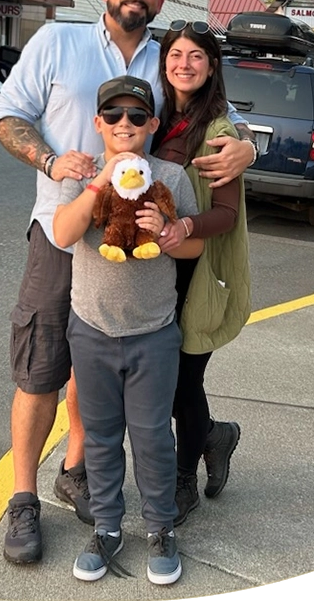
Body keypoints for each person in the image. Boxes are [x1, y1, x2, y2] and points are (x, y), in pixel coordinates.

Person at [0, 0, 259, 567]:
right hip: (65, 230)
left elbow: (219, 113)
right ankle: (24, 499)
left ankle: (81, 473)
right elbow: (5, 117)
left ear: (161, 1)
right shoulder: (58, 41)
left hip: (148, 244)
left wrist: (246, 148)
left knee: (104, 358)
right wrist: (55, 163)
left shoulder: (167, 60)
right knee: (39, 367)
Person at [53, 76, 202, 585]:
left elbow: (193, 249)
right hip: (91, 328)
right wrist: (101, 180)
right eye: (113, 116)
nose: (124, 125)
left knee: (153, 437)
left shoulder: (171, 177)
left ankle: (160, 527)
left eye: (137, 117)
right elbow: (63, 233)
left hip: (153, 331)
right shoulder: (83, 172)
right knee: (99, 436)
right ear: (99, 124)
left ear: (152, 124)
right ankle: (108, 528)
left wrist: (167, 229)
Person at [148, 20, 251, 526]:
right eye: (175, 54)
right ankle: (214, 435)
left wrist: (184, 222)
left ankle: (183, 477)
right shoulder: (157, 118)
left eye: (195, 56)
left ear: (212, 67)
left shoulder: (218, 131)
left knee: (183, 382)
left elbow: (226, 213)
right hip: (155, 276)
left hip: (199, 274)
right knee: (167, 381)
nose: (183, 64)